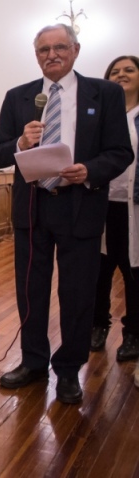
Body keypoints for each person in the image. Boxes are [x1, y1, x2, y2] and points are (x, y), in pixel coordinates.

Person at [0, 24, 133, 405]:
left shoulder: (104, 94)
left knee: (77, 293)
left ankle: (68, 370)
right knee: (30, 291)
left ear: (75, 50)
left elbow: (121, 152)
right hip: (33, 206)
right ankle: (34, 362)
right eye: (42, 50)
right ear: (35, 55)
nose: (50, 55)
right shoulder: (19, 97)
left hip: (80, 204)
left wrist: (89, 171)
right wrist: (21, 142)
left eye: (58, 48)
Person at [91, 55, 139, 363]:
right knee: (98, 270)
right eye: (115, 71)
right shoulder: (100, 116)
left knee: (134, 272)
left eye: (129, 70)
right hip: (100, 203)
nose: (121, 75)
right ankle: (97, 325)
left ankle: (133, 332)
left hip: (134, 208)